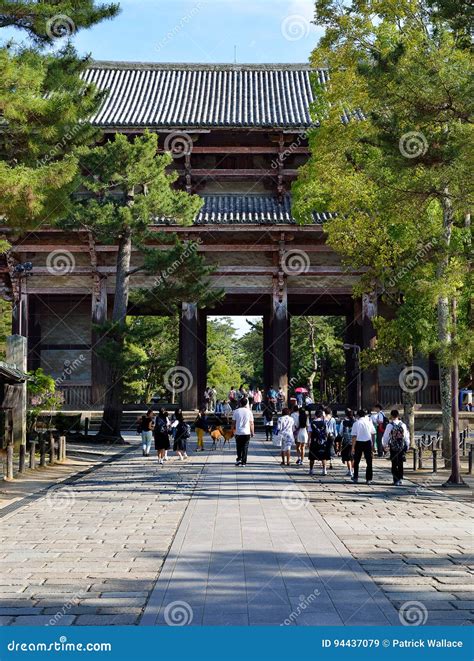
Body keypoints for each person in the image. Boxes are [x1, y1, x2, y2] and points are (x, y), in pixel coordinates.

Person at [383, 410, 410, 485]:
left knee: (394, 463)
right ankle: (400, 479)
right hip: (401, 445)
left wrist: (385, 445)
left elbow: (386, 436)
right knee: (400, 463)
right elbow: (406, 436)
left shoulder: (389, 425)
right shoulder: (403, 425)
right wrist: (407, 444)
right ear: (398, 415)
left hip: (393, 446)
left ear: (391, 416)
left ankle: (395, 480)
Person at [351, 409, 376, 484]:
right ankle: (369, 479)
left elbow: (354, 436)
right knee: (369, 461)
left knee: (356, 461)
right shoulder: (369, 422)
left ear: (358, 415)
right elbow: (373, 433)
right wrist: (373, 445)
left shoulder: (356, 423)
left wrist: (353, 447)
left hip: (358, 443)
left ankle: (355, 477)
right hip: (368, 442)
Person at [232, 397, 254, 467]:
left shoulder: (236, 411)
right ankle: (244, 462)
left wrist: (232, 430)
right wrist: (252, 432)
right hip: (247, 432)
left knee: (238, 446)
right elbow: (251, 423)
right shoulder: (249, 412)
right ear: (246, 403)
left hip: (238, 432)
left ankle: (239, 459)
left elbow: (233, 423)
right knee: (245, 447)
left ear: (240, 403)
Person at [309, 409, 330, 476]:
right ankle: (324, 470)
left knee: (312, 456)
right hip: (322, 441)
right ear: (321, 416)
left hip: (314, 441)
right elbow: (327, 433)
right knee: (323, 456)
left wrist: (308, 441)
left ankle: (311, 470)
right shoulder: (324, 423)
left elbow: (309, 433)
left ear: (315, 415)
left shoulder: (312, 423)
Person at [339, 408, 355, 477]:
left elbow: (341, 432)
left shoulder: (343, 422)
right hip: (354, 441)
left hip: (346, 441)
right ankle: (353, 470)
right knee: (352, 456)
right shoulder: (355, 422)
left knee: (347, 457)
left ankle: (350, 471)